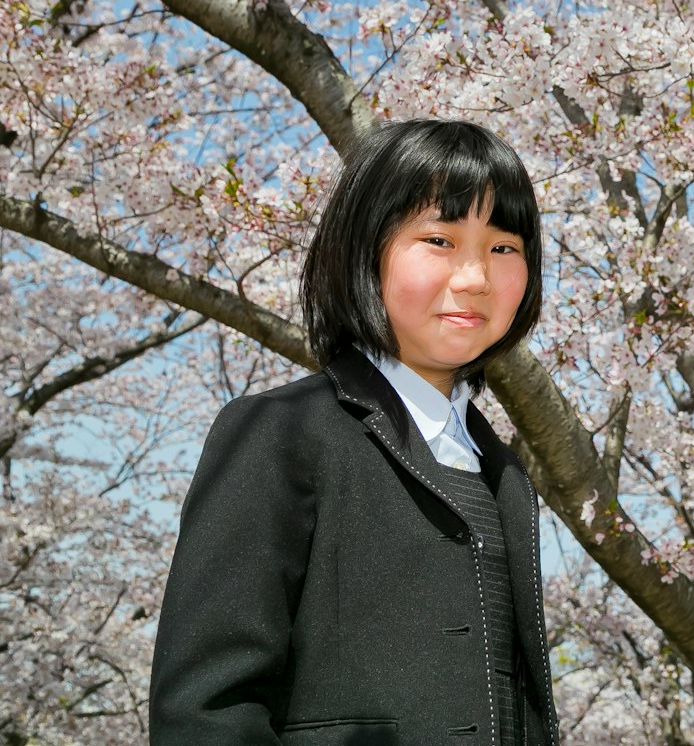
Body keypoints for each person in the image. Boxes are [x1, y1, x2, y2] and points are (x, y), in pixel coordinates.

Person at [149, 120, 559, 746]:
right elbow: (206, 711)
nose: (475, 276)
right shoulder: (282, 435)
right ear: (365, 250)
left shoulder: (499, 469)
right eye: (439, 239)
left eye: (504, 248)